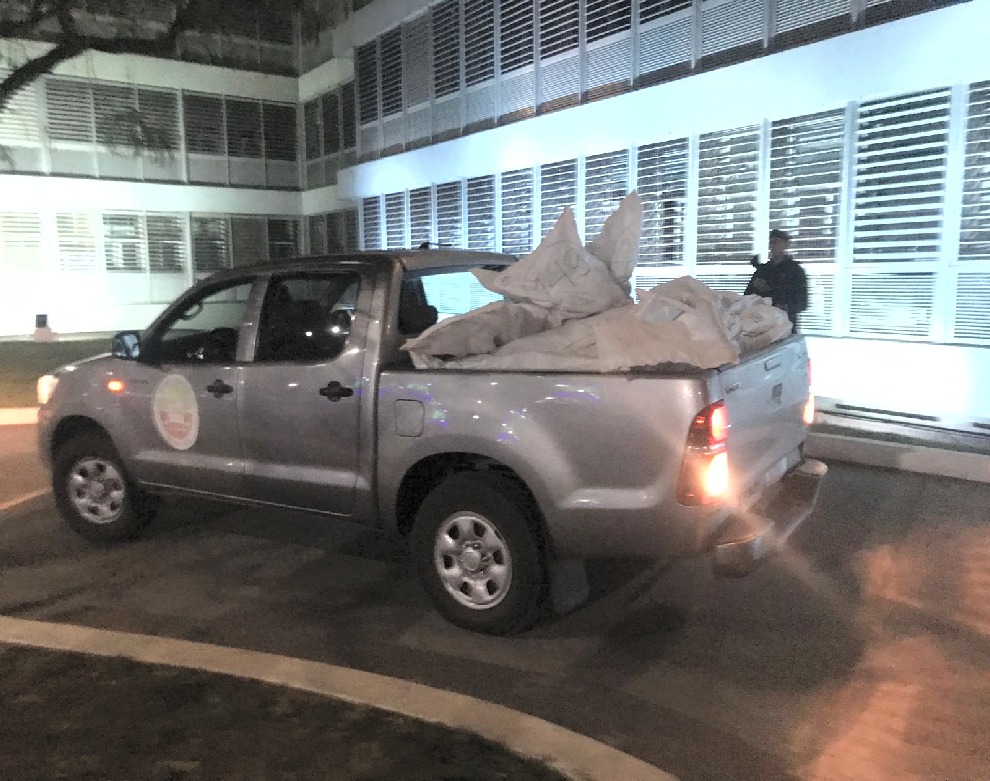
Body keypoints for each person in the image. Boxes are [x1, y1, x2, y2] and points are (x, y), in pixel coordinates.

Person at [745, 228, 808, 333]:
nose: (773, 246)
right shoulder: (763, 270)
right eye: (772, 243)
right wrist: (757, 287)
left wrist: (783, 307)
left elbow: (802, 303)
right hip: (762, 324)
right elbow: (747, 297)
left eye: (777, 242)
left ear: (786, 244)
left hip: (785, 325)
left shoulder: (795, 271)